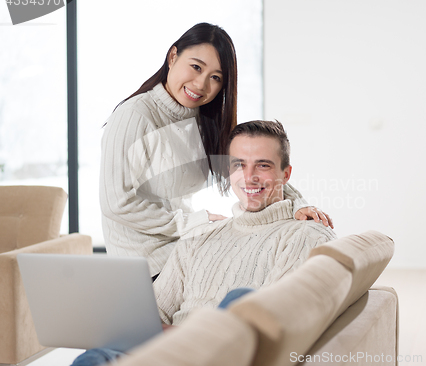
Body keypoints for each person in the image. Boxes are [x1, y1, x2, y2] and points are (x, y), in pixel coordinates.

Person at [72, 120, 337, 366]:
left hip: (219, 356)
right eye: (238, 165)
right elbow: (152, 315)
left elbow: (271, 327)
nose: (249, 176)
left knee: (242, 300)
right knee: (96, 356)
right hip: (164, 352)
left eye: (263, 165)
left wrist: (182, 336)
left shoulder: (305, 235)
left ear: (286, 174)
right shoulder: (199, 237)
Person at [99, 23, 333, 279]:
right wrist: (193, 222)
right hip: (147, 265)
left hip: (184, 248)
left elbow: (252, 168)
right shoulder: (135, 116)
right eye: (196, 67)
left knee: (270, 252)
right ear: (173, 56)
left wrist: (298, 206)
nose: (201, 84)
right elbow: (116, 203)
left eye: (216, 78)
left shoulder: (204, 122)